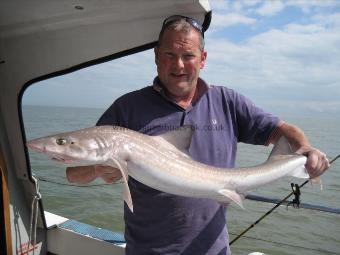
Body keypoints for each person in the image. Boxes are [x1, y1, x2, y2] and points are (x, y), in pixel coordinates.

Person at [66, 15, 330, 255]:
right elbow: (74, 174)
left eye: (188, 56)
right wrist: (99, 169)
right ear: (156, 56)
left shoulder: (227, 101)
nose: (178, 64)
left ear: (202, 59)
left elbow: (283, 130)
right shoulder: (127, 109)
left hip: (213, 249)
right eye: (169, 54)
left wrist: (305, 150)